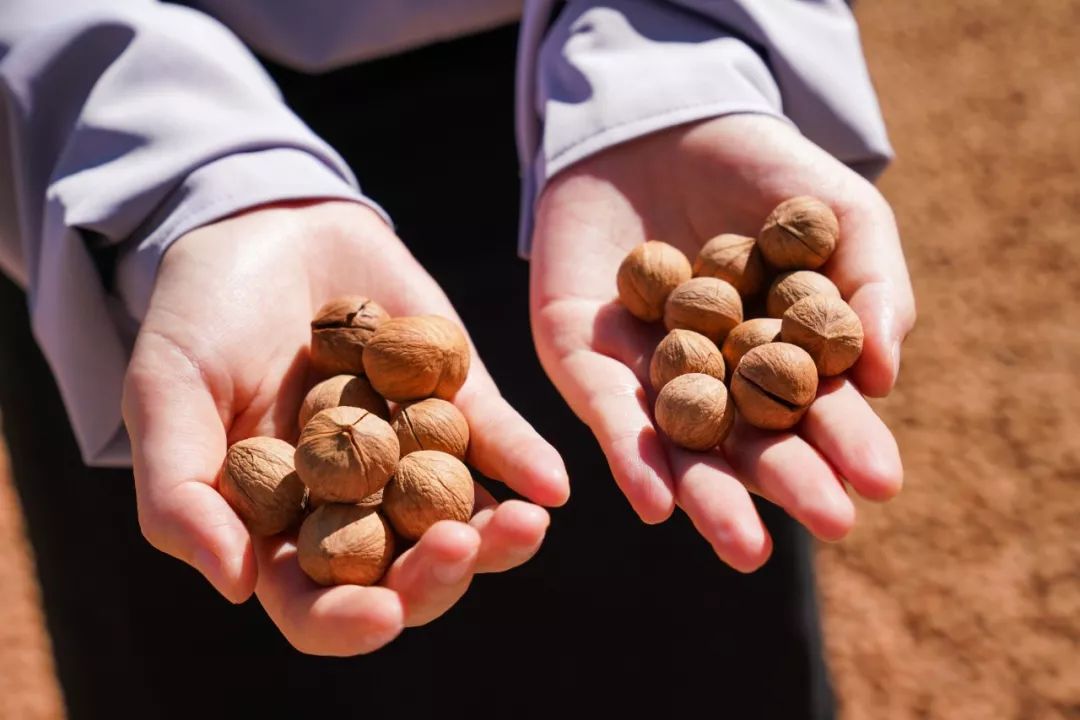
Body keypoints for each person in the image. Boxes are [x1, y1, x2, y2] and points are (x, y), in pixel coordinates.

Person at [0, 1, 914, 717]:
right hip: (109, 174)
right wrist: (175, 185)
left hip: (570, 128)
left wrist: (686, 60)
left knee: (662, 661)